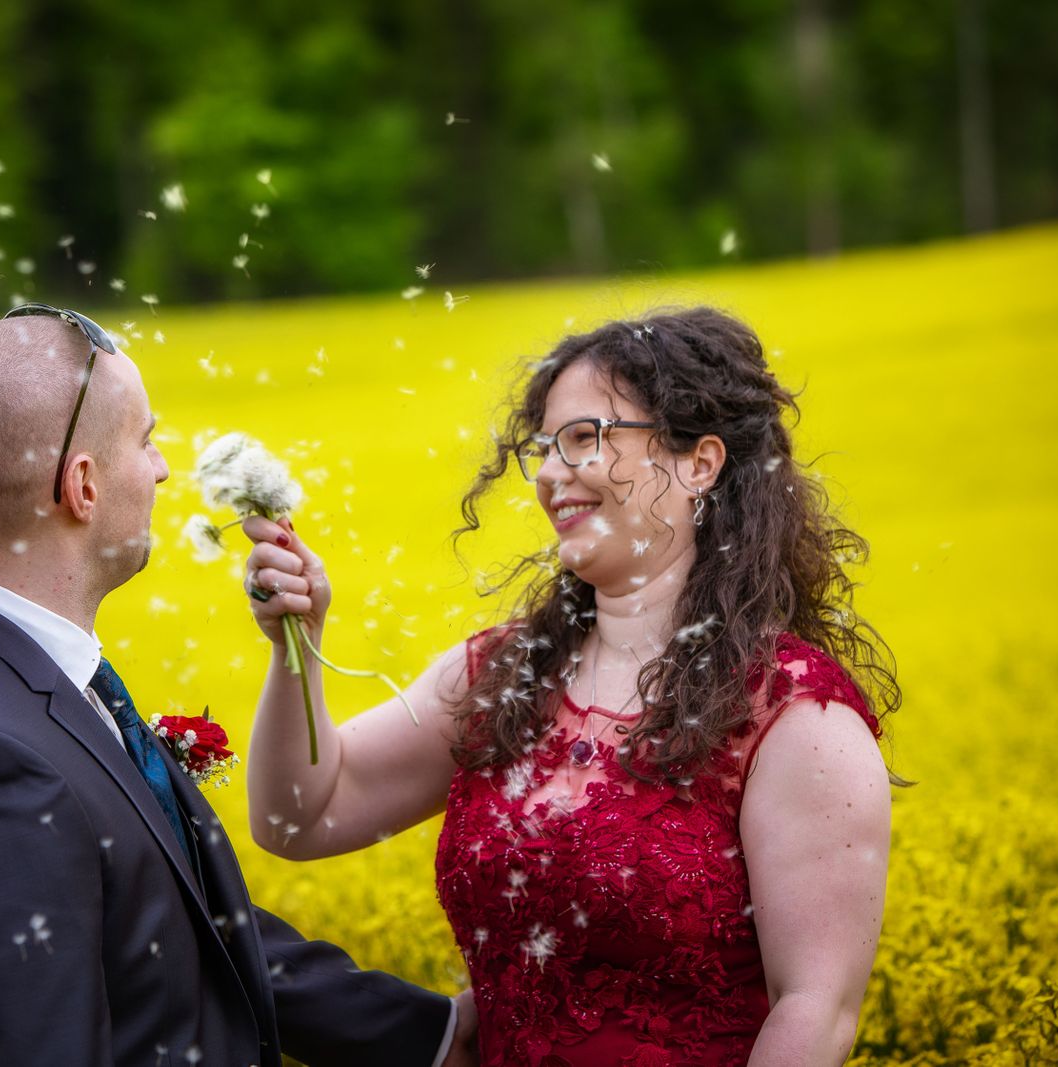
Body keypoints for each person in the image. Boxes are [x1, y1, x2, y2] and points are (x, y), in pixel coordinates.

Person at [240, 307, 900, 1065]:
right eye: (544, 448)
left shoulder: (795, 715)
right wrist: (300, 643)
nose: (552, 473)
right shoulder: (501, 676)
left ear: (699, 462)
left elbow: (815, 1014)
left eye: (585, 438)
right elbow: (299, 817)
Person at [0, 304, 476, 1067]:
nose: (163, 468)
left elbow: (182, 930)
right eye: (145, 440)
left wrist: (431, 1034)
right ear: (81, 486)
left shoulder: (24, 682)